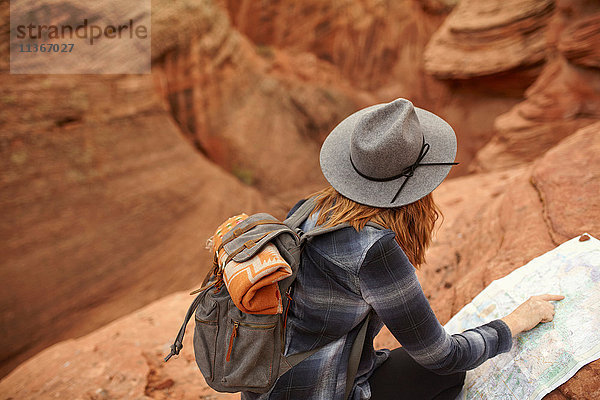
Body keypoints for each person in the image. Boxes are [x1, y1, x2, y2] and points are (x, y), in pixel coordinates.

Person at [242, 98, 564, 400]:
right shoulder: (373, 251)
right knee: (448, 375)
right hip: (321, 391)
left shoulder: (310, 209)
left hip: (267, 386)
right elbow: (442, 357)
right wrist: (514, 323)